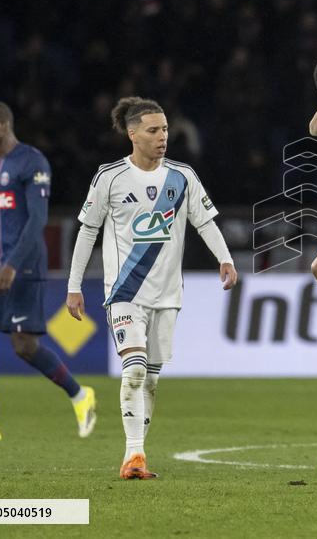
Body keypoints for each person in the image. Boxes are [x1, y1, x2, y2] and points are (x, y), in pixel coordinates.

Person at [65, 96, 238, 480]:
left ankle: (138, 454)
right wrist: (74, 285)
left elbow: (205, 222)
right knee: (136, 371)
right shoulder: (109, 177)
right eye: (153, 130)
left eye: (164, 130)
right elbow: (88, 230)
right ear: (132, 134)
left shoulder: (182, 177)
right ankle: (133, 455)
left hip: (167, 293)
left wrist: (225, 258)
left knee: (152, 378)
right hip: (125, 292)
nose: (163, 137)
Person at [0, 102, 96, 442]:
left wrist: (12, 265)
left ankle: (79, 394)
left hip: (23, 264)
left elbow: (37, 221)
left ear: (2, 124)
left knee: (24, 345)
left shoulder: (32, 162)